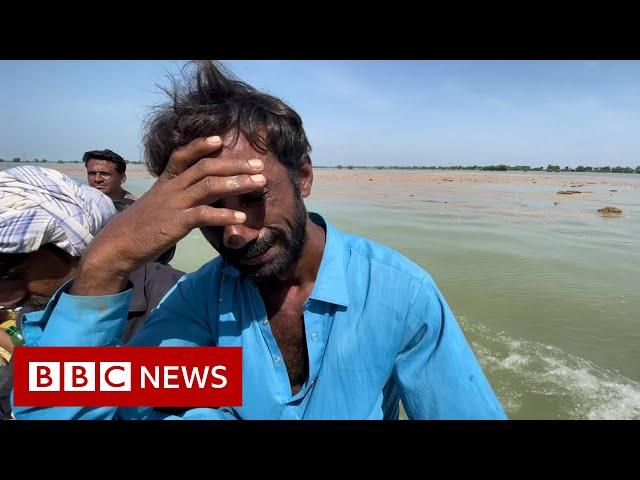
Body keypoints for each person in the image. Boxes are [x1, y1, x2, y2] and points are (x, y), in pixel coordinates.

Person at [12, 61, 507, 420]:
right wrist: (105, 261)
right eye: (207, 210)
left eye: (252, 196)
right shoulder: (203, 300)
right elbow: (63, 414)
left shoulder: (398, 294)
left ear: (304, 176)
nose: (234, 231)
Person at [0, 166, 183, 419]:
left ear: (74, 247)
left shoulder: (175, 299)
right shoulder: (38, 306)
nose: (7, 298)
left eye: (15, 275)